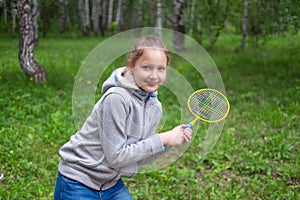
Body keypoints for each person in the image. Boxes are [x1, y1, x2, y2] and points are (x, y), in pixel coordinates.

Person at [54, 35, 192, 200]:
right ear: (131, 66)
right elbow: (117, 157)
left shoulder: (155, 107)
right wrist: (162, 138)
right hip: (78, 181)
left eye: (161, 69)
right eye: (147, 67)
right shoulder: (116, 98)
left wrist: (168, 143)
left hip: (110, 184)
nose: (154, 76)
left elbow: (138, 155)